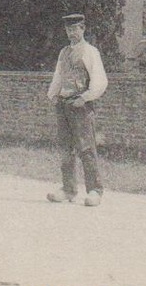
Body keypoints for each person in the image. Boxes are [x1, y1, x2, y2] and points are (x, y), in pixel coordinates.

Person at [46, 13, 108, 207]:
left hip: (80, 105)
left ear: (83, 29)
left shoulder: (90, 52)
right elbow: (58, 76)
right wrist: (53, 95)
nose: (71, 32)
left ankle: (94, 190)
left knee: (86, 148)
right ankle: (68, 189)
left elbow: (100, 80)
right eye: (68, 29)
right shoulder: (63, 52)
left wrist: (85, 97)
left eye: (75, 28)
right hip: (64, 104)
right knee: (66, 149)